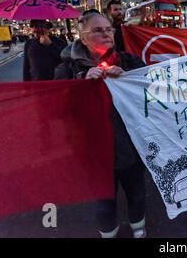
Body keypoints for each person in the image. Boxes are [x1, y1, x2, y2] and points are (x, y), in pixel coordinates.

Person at [54, 12, 147, 238]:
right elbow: (59, 110)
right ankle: (108, 233)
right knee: (104, 202)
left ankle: (139, 229)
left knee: (137, 194)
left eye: (109, 29)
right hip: (93, 153)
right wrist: (81, 86)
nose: (106, 33)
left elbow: (151, 95)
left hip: (130, 147)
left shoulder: (130, 61)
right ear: (83, 37)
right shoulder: (65, 71)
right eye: (98, 30)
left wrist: (128, 80)